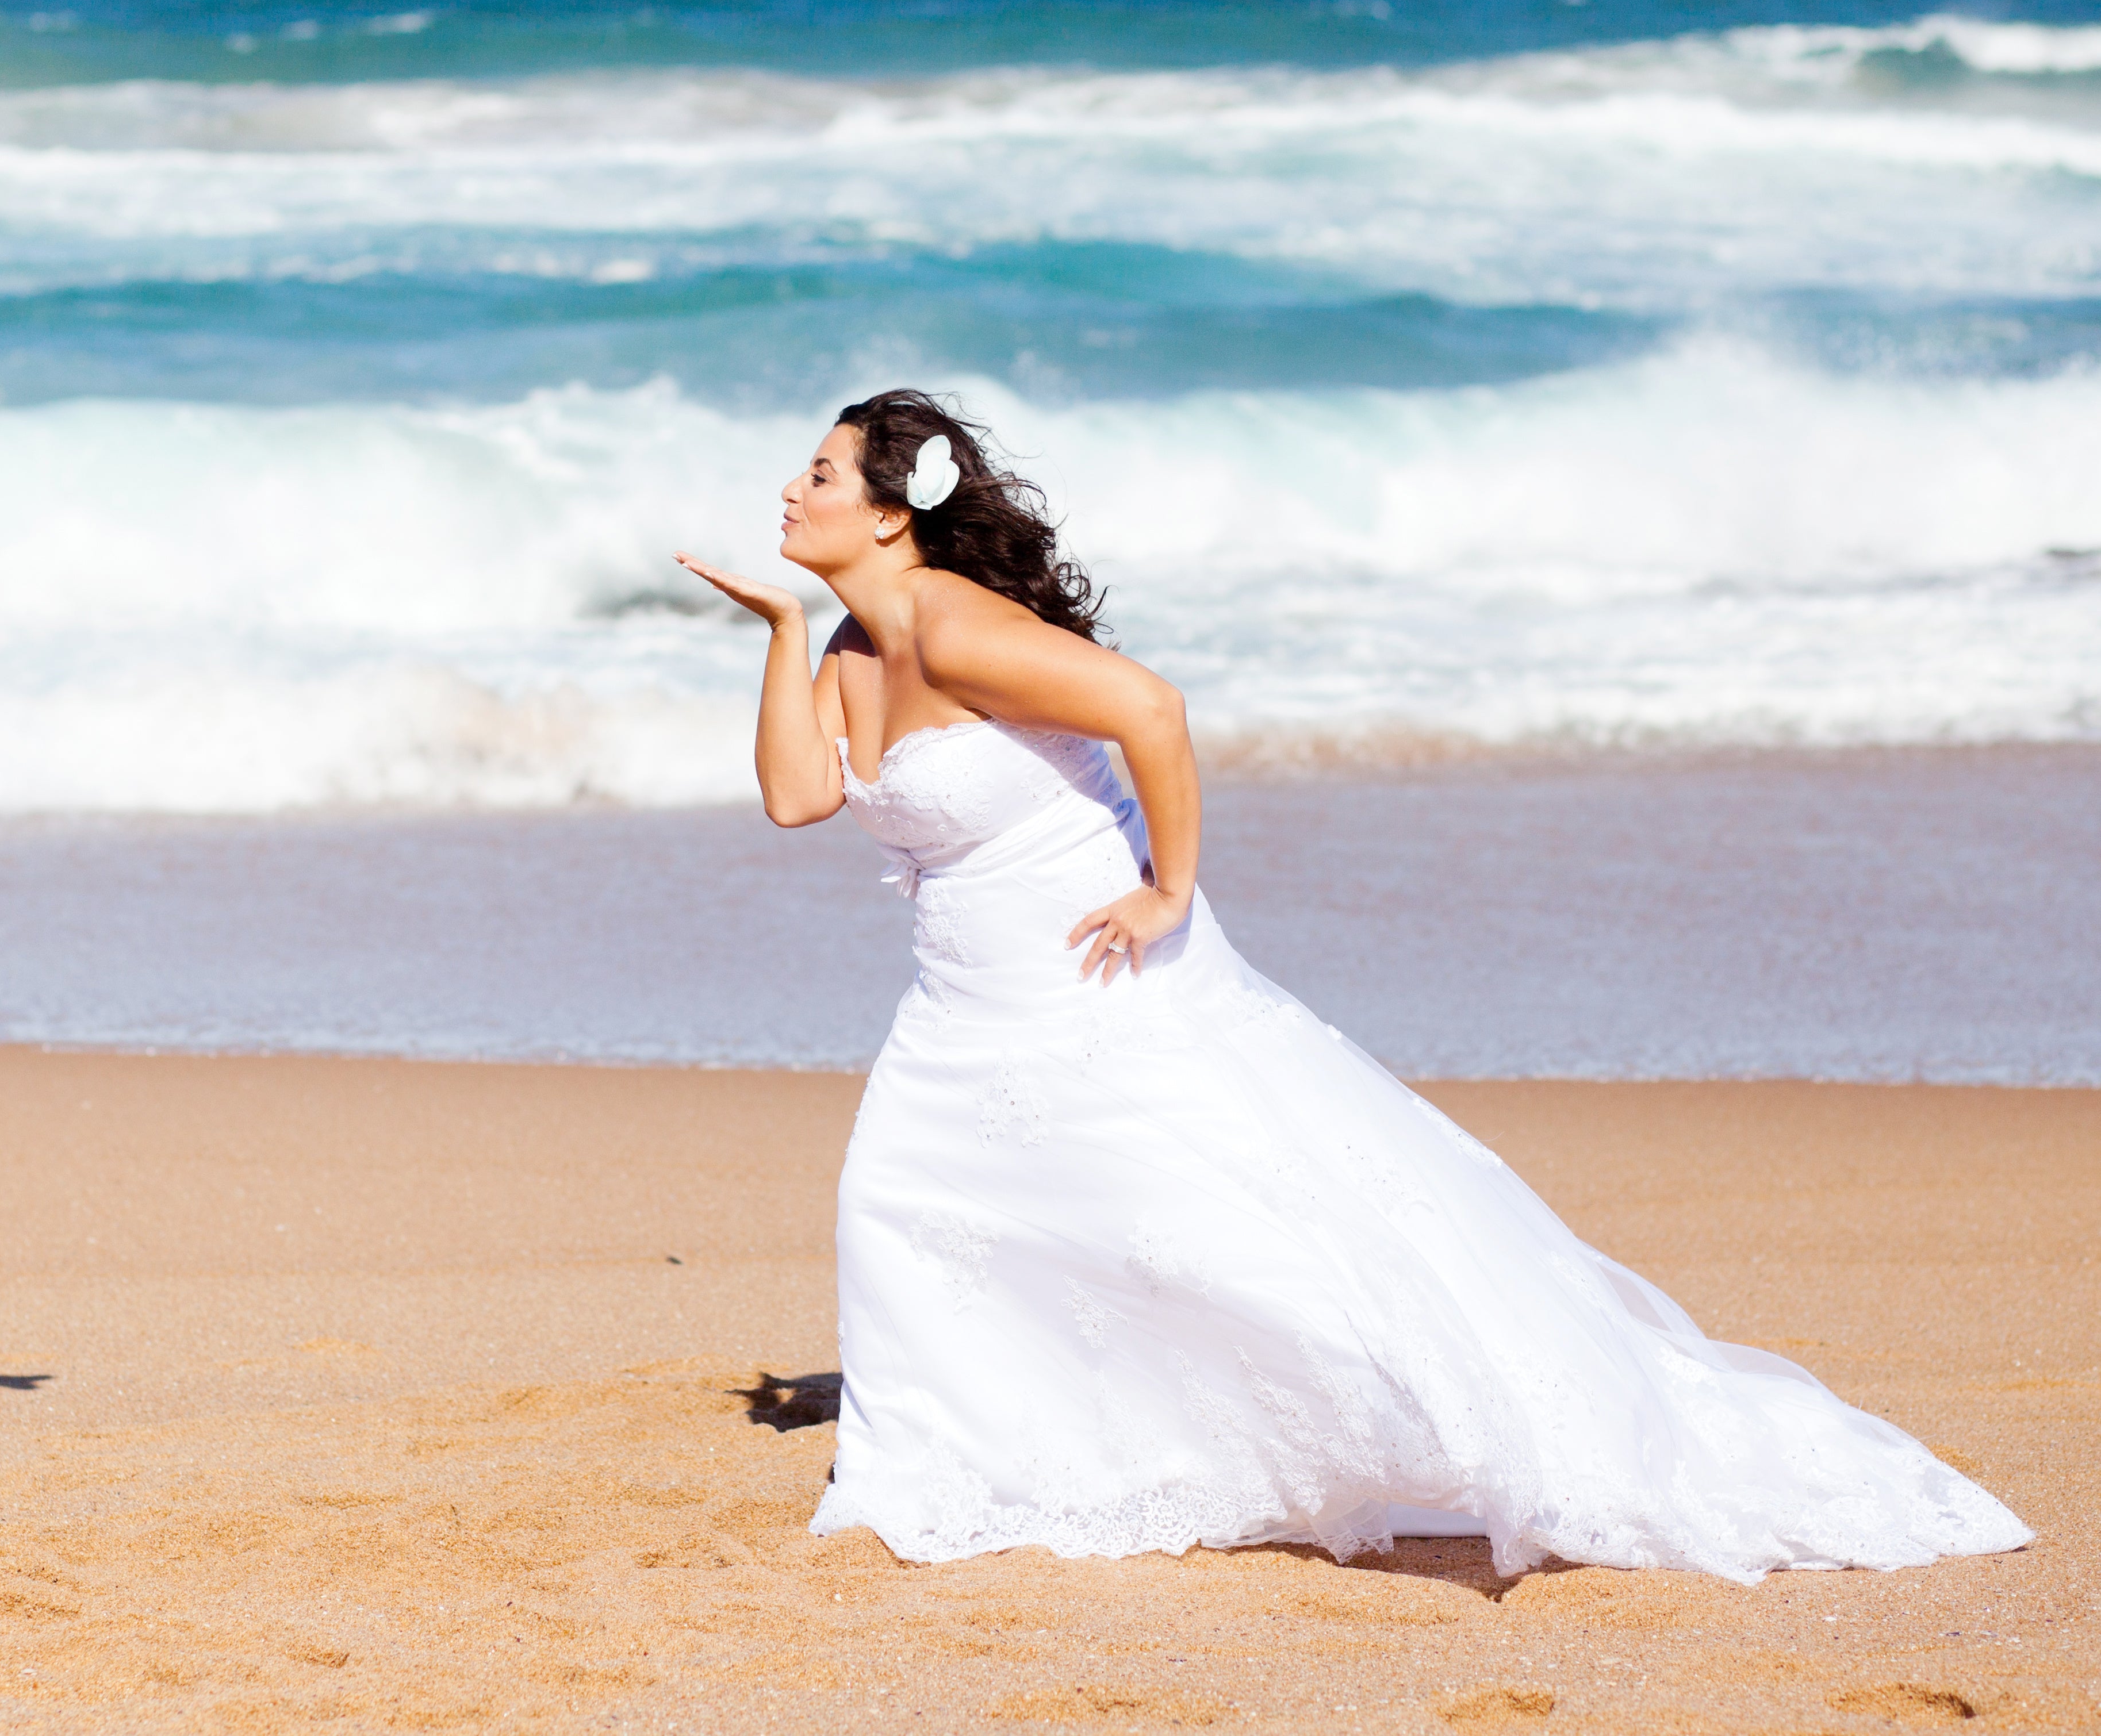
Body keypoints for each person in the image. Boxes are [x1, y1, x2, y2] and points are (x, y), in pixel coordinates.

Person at [673, 387, 2031, 1581]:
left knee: (1219, 1227)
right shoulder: (850, 651)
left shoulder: (958, 630)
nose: (791, 489)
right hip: (963, 998)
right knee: (912, 1206)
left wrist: (1167, 890)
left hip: (1095, 970)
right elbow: (798, 796)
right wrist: (783, 630)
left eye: (820, 474)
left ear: (892, 516)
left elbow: (1151, 710)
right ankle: (957, 1460)